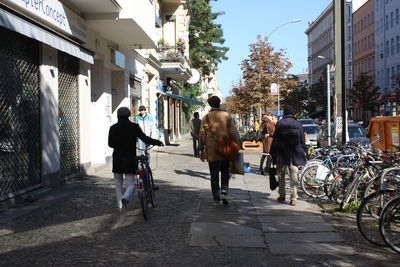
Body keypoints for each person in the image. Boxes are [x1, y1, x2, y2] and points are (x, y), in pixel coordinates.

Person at [108, 107, 163, 212]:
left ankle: (120, 206)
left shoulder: (113, 128)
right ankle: (126, 197)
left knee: (118, 183)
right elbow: (145, 138)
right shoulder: (134, 127)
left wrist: (119, 145)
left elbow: (110, 144)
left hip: (118, 159)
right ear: (129, 115)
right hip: (129, 159)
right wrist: (157, 142)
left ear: (118, 116)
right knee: (131, 183)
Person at [199, 96, 240, 207]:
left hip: (212, 151)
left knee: (214, 175)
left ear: (210, 104)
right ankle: (224, 192)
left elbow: (202, 134)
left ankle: (216, 199)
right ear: (219, 103)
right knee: (225, 172)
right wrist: (238, 143)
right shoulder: (226, 116)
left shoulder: (206, 118)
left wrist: (200, 149)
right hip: (225, 149)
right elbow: (233, 131)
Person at [270, 105, 306, 206]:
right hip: (294, 153)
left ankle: (282, 195)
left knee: (281, 174)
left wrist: (272, 152)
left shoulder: (280, 124)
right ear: (293, 113)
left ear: (284, 113)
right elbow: (302, 140)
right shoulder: (298, 124)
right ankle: (293, 198)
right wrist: (303, 150)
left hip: (281, 153)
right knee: (294, 175)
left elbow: (275, 140)